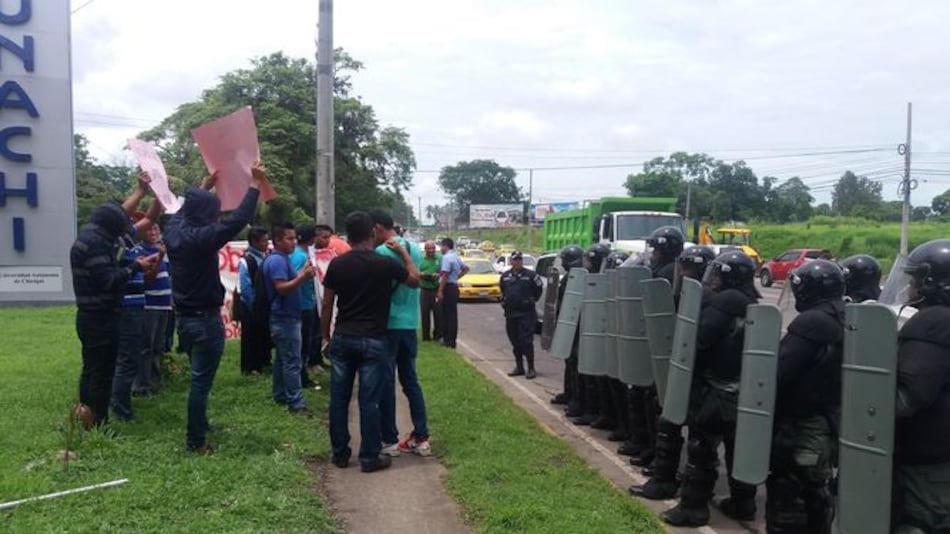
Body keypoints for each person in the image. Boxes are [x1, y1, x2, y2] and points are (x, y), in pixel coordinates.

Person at [164, 163, 272, 453]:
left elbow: (182, 212)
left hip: (185, 318)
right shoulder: (201, 239)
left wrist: (202, 187)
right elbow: (238, 219)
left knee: (200, 378)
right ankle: (195, 440)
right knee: (200, 381)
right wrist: (254, 184)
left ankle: (200, 425)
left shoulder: (173, 231)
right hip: (203, 319)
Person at [662, 250, 759, 527]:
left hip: (717, 388)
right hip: (743, 390)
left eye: (718, 274)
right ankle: (743, 502)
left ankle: (693, 508)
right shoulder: (751, 301)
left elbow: (699, 339)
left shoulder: (727, 302)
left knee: (702, 449)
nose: (713, 279)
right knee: (737, 448)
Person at [321, 211, 420, 473]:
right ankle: (369, 457)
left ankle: (340, 454)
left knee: (339, 400)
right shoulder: (384, 263)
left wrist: (325, 337)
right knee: (370, 400)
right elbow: (414, 281)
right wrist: (405, 254)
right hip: (374, 340)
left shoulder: (337, 265)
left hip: (343, 337)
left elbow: (327, 305)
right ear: (371, 233)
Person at [630, 245, 717, 499]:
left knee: (699, 440)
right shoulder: (693, 296)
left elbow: (699, 340)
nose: (684, 273)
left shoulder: (714, 302)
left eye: (689, 269)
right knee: (667, 419)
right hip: (686, 371)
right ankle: (665, 473)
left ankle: (689, 494)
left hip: (707, 380)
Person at [765, 260, 845, 534]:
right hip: (828, 418)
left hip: (804, 423)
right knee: (815, 489)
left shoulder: (814, 321)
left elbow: (779, 369)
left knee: (792, 490)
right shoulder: (844, 315)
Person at [70, 178, 158, 427]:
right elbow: (108, 281)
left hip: (90, 315)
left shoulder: (94, 234)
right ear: (113, 226)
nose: (127, 227)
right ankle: (99, 422)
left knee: (91, 369)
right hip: (100, 317)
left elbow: (126, 216)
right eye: (123, 224)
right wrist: (135, 266)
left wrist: (142, 190)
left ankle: (85, 416)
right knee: (101, 372)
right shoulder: (97, 244)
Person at [891, 239, 950, 532]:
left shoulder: (935, 322)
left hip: (926, 469)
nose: (910, 288)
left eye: (915, 280)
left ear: (932, 283)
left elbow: (902, 400)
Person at [369, 210, 430, 457]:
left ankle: (390, 439)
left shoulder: (381, 253)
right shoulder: (414, 249)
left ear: (376, 228)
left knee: (386, 383)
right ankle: (422, 436)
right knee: (411, 381)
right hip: (409, 324)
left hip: (388, 325)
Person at [627, 227, 685, 470]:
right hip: (653, 339)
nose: (652, 253)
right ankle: (647, 446)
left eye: (656, 248)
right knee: (644, 397)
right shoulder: (661, 270)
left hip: (663, 343)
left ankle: (655, 452)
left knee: (655, 401)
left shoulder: (671, 273)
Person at [263, 223, 316, 416]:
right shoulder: (277, 261)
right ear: (277, 240)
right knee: (292, 361)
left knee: (282, 360)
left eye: (295, 238)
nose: (294, 242)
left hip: (286, 316)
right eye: (289, 239)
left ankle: (280, 394)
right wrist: (303, 277)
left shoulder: (282, 259)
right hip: (284, 318)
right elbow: (281, 287)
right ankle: (296, 403)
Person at [572, 243, 610, 426]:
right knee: (587, 375)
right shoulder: (588, 279)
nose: (585, 263)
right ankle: (590, 409)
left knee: (599, 379)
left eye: (589, 260)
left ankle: (599, 412)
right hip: (587, 333)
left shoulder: (606, 281)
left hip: (599, 335)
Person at [137, 220, 172, 396]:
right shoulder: (140, 251)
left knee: (158, 346)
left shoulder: (163, 251)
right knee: (146, 346)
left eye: (156, 228)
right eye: (149, 229)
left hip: (164, 305)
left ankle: (155, 381)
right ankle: (142, 386)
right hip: (149, 305)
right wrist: (158, 257)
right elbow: (148, 278)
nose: (154, 232)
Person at [500, 251, 544, 379]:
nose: (517, 262)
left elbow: (538, 290)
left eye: (519, 260)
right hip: (511, 313)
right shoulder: (506, 276)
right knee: (515, 341)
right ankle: (519, 367)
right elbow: (503, 290)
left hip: (526, 313)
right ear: (511, 261)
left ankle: (531, 368)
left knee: (526, 341)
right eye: (515, 260)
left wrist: (530, 300)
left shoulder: (530, 275)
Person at [551, 244, 584, 407]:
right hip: (567, 324)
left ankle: (577, 399)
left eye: (564, 260)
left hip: (577, 327)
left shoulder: (581, 278)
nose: (562, 263)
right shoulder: (569, 277)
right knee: (569, 361)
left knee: (576, 364)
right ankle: (569, 393)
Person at [238, 226, 271, 375]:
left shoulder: (265, 257)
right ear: (254, 242)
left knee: (263, 334)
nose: (267, 244)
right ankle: (250, 367)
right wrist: (254, 305)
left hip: (264, 305)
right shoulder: (247, 260)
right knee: (250, 337)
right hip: (251, 306)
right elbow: (245, 287)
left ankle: (264, 361)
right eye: (264, 241)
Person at [291, 223, 319, 389]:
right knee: (303, 344)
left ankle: (302, 375)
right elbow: (296, 278)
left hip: (304, 303)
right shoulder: (301, 257)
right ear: (312, 239)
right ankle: (302, 377)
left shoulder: (298, 254)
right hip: (303, 305)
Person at [437, 237, 468, 349]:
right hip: (453, 286)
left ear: (445, 246)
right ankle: (452, 340)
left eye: (441, 246)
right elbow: (466, 268)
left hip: (447, 287)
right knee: (452, 315)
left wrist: (440, 290)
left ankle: (447, 340)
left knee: (446, 314)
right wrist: (456, 278)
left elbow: (445, 274)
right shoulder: (456, 256)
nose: (441, 249)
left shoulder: (446, 258)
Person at [419, 240, 443, 342]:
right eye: (429, 248)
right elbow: (417, 272)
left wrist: (438, 275)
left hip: (436, 289)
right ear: (425, 249)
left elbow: (444, 272)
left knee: (438, 314)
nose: (431, 250)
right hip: (425, 290)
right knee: (425, 315)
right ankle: (426, 337)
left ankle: (437, 336)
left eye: (433, 248)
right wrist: (423, 274)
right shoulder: (421, 259)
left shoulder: (440, 259)